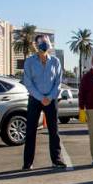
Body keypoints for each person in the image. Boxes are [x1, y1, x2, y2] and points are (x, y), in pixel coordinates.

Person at [21, 34, 65, 170]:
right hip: (35, 99)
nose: (44, 44)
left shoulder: (55, 61)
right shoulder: (29, 62)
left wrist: (50, 97)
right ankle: (28, 162)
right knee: (31, 131)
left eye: (46, 41)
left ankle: (56, 160)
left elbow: (58, 82)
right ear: (36, 44)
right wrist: (41, 98)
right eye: (41, 42)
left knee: (54, 130)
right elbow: (28, 83)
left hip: (51, 100)